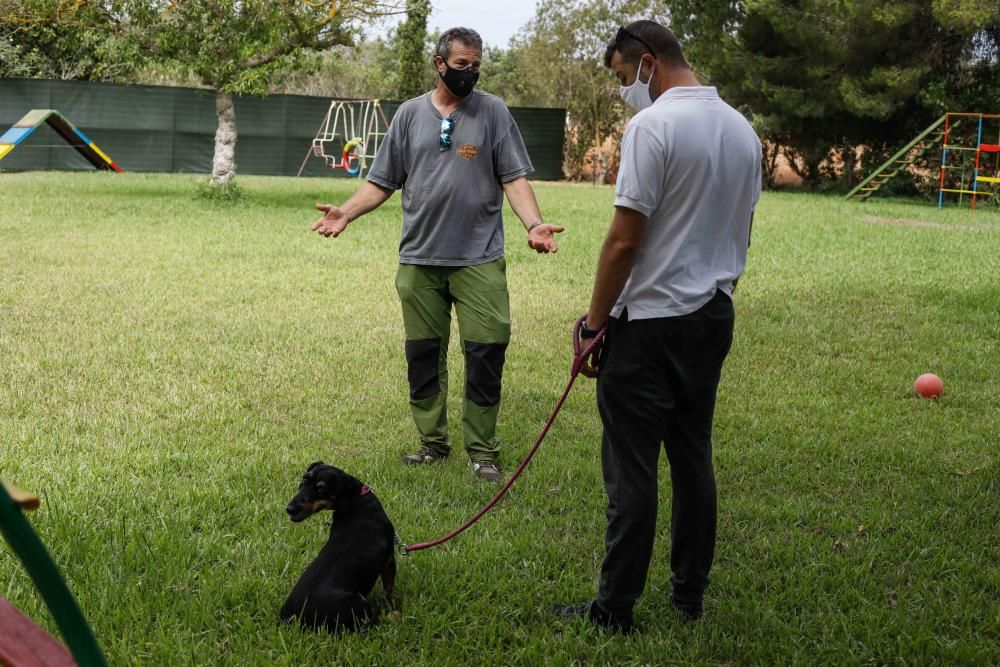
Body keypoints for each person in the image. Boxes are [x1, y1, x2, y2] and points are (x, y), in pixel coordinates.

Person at [554, 20, 761, 632]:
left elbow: (623, 240)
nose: (626, 90)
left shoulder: (654, 125)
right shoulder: (742, 130)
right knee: (693, 456)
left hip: (647, 325)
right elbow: (742, 229)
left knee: (632, 470)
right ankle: (688, 594)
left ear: (647, 63)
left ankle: (615, 608)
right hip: (712, 314)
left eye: (623, 77)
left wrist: (595, 324)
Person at [311, 27, 564, 482]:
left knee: (486, 352)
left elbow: (513, 177)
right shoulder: (409, 116)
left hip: (479, 259)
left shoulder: (493, 112)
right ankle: (432, 444)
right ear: (439, 63)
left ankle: (483, 450)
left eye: (475, 65)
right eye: (461, 64)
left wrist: (534, 223)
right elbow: (383, 181)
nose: (470, 73)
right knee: (423, 355)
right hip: (420, 261)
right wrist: (345, 213)